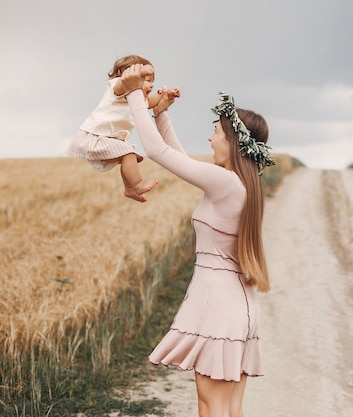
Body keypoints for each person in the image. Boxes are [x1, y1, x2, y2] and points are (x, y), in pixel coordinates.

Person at [120, 63, 275, 417]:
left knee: (213, 407)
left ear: (232, 140)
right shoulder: (240, 182)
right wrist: (160, 116)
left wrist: (133, 97)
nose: (210, 138)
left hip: (220, 308)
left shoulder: (227, 183)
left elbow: (160, 154)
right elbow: (179, 160)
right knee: (230, 408)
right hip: (237, 306)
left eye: (216, 132)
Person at [66, 55, 180, 202]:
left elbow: (152, 101)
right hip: (94, 136)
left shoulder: (139, 100)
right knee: (129, 154)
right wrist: (141, 71)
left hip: (107, 140)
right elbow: (122, 85)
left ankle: (129, 188)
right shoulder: (116, 89)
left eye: (152, 81)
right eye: (146, 79)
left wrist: (167, 94)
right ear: (126, 75)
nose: (151, 85)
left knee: (130, 156)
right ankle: (136, 183)